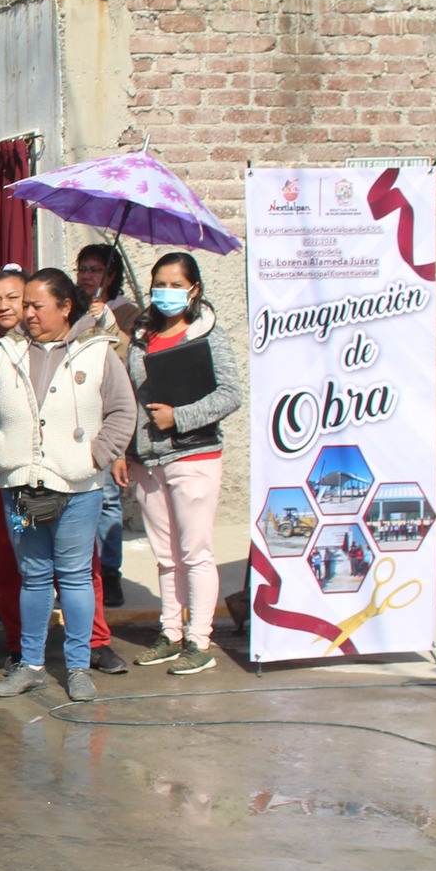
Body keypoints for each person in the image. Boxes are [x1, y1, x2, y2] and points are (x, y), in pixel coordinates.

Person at [0, 267, 136, 703]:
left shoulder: (97, 352)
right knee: (33, 578)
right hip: (21, 485)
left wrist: (96, 454)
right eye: (24, 305)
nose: (26, 314)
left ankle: (77, 667)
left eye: (36, 306)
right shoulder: (8, 352)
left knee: (73, 578)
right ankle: (30, 664)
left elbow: (124, 411)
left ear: (65, 307)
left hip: (77, 487)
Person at [117, 250, 243, 677]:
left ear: (194, 290)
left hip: (193, 453)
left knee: (195, 553)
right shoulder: (140, 335)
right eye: (160, 283)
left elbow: (230, 394)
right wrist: (125, 449)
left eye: (175, 284)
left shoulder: (208, 334)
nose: (166, 292)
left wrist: (180, 417)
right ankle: (170, 631)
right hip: (147, 460)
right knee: (166, 555)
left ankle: (199, 639)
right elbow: (130, 397)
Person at [75, 242, 137, 608]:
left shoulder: (127, 313)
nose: (86, 276)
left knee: (109, 500)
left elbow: (131, 358)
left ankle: (110, 571)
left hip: (109, 419)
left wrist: (109, 324)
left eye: (95, 270)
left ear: (111, 276)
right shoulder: (75, 308)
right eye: (82, 269)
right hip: (80, 417)